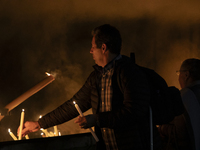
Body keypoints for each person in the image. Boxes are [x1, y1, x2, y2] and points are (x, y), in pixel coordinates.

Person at [18, 24, 161, 150]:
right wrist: (39, 124)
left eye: (93, 47)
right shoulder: (97, 77)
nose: (90, 51)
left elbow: (133, 112)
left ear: (103, 48)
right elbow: (72, 106)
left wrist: (97, 119)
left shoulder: (130, 73)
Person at [159, 58, 200, 150]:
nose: (178, 78)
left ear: (186, 75)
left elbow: (179, 133)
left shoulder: (184, 96)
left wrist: (162, 128)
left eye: (179, 73)